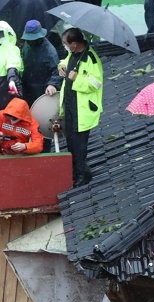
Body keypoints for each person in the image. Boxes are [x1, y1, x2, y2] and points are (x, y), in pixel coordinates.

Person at [45, 28, 103, 187]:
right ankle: (76, 171)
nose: (64, 46)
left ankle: (82, 174)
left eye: (66, 43)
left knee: (79, 144)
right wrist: (62, 66)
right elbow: (66, 60)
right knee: (71, 141)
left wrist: (78, 78)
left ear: (75, 44)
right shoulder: (74, 53)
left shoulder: (90, 58)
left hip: (82, 108)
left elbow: (96, 83)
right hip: (70, 105)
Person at [20, 20, 59, 105]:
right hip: (26, 87)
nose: (30, 41)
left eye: (32, 38)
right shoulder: (26, 44)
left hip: (42, 89)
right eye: (28, 38)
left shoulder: (50, 51)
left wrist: (52, 84)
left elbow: (57, 71)